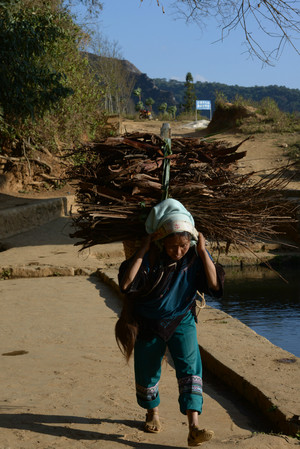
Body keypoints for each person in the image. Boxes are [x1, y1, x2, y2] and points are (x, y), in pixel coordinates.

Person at [116, 198, 225, 447]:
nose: (178, 251)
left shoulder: (194, 258)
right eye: (172, 245)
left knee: (190, 368)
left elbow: (215, 284)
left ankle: (194, 427)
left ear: (191, 241)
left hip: (182, 319)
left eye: (183, 245)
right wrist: (143, 250)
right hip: (149, 323)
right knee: (148, 369)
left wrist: (202, 250)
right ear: (161, 241)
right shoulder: (150, 261)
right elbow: (125, 285)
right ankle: (152, 412)